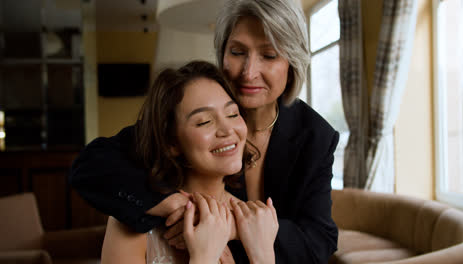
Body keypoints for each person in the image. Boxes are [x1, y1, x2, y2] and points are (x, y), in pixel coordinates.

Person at [70, 0, 339, 263]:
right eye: (237, 52)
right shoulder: (191, 112)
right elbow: (91, 166)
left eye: (269, 55)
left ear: (292, 64)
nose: (249, 72)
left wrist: (234, 225)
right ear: (222, 53)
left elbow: (319, 241)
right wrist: (174, 204)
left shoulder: (316, 136)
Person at [101, 61, 279, 264]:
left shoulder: (251, 222)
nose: (228, 130)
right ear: (171, 142)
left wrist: (263, 255)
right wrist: (204, 257)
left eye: (232, 114)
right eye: (204, 121)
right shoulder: (131, 222)